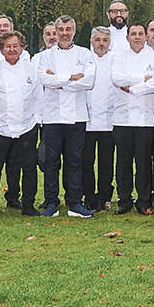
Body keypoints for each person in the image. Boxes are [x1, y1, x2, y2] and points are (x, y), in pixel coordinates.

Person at [0, 31, 44, 216]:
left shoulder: (31, 69)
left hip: (26, 127)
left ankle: (28, 205)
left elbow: (39, 96)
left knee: (29, 168)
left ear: (22, 48)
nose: (12, 50)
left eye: (16, 46)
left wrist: (36, 120)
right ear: (1, 49)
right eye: (8, 46)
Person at [33, 15, 92, 216]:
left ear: (74, 31)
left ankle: (75, 201)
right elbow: (43, 79)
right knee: (51, 162)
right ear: (56, 31)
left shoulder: (85, 54)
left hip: (77, 117)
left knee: (75, 161)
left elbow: (88, 82)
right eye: (61, 29)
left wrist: (57, 80)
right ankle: (51, 201)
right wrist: (72, 77)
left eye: (68, 29)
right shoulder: (45, 56)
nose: (65, 33)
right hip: (52, 117)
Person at [111, 22, 154, 214]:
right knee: (123, 162)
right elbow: (117, 78)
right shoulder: (118, 57)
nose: (137, 37)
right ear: (127, 37)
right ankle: (124, 200)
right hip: (122, 119)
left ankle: (143, 200)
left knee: (143, 163)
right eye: (133, 34)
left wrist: (132, 88)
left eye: (140, 33)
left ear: (146, 36)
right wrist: (143, 79)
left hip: (144, 119)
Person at [84, 26, 119, 212]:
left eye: (105, 40)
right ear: (91, 41)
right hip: (87, 120)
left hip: (108, 120)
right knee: (86, 162)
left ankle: (105, 196)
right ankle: (89, 197)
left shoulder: (115, 59)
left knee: (106, 162)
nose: (101, 44)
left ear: (109, 42)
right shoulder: (84, 58)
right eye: (98, 40)